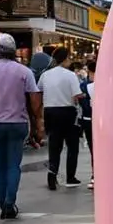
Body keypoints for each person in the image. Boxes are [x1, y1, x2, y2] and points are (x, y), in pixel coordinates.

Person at [0, 34, 43, 219]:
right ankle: (10, 203)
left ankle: (2, 203)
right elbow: (34, 100)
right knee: (13, 165)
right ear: (14, 52)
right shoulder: (24, 71)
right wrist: (37, 122)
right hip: (17, 123)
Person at [38, 47, 83, 189]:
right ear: (64, 59)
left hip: (50, 111)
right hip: (68, 112)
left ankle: (52, 175)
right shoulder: (70, 75)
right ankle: (70, 177)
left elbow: (39, 90)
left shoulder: (45, 75)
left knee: (54, 145)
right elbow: (77, 95)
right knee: (72, 146)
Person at [79, 59, 96, 190]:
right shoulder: (107, 83)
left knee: (93, 149)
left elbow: (82, 104)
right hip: (103, 121)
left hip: (88, 120)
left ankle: (94, 175)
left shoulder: (84, 86)